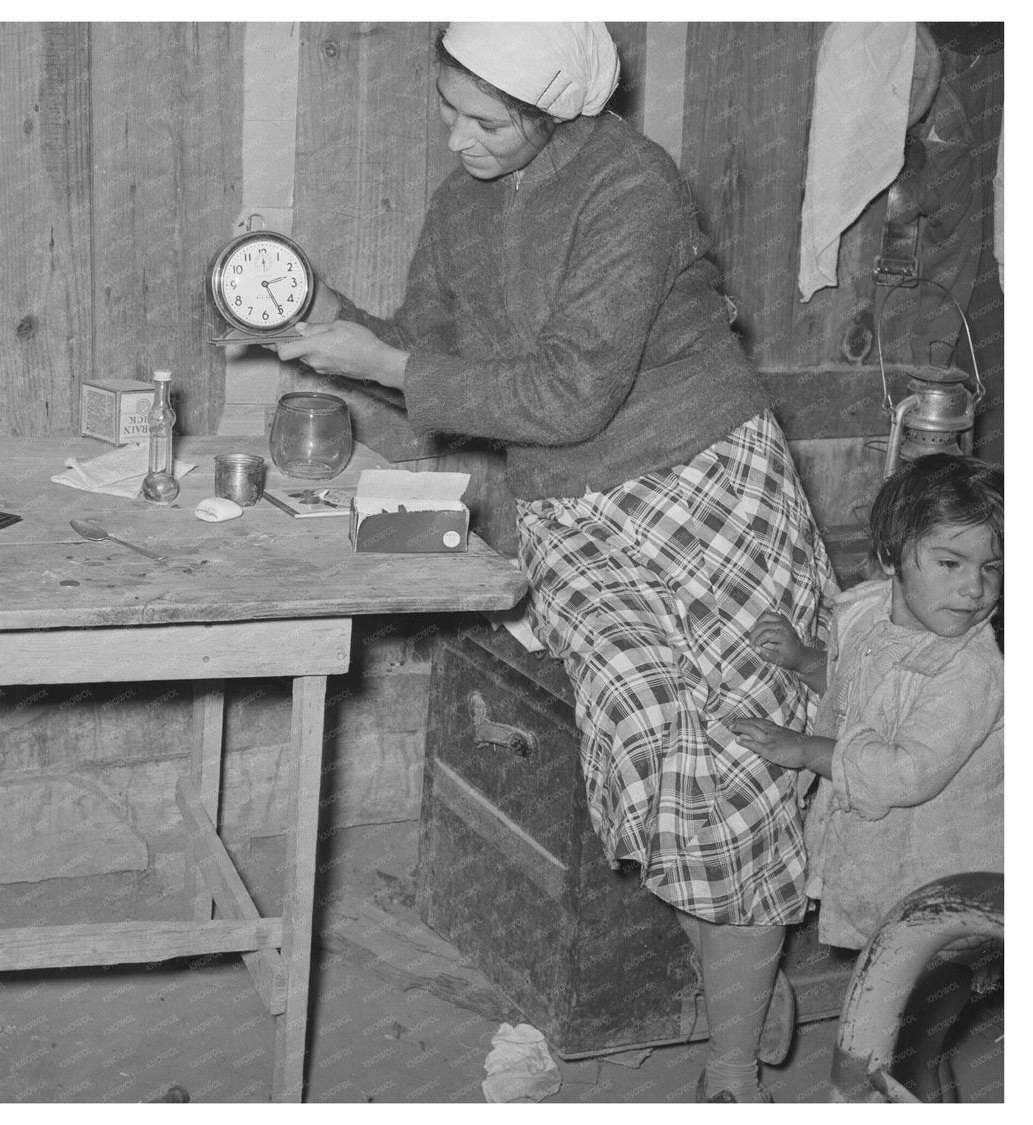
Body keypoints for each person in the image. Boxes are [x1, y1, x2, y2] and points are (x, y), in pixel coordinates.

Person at [275, 22, 836, 1103]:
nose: (458, 139)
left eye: (486, 123)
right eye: (447, 110)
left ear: (562, 111)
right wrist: (324, 319)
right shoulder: (462, 205)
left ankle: (729, 1068)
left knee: (744, 749)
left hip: (708, 476)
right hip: (575, 509)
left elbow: (568, 394)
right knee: (647, 743)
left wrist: (387, 358)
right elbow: (432, 357)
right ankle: (743, 953)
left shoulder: (634, 189)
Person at [735, 453, 1003, 1101]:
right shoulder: (864, 615)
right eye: (951, 563)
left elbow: (900, 773)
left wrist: (802, 749)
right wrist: (804, 660)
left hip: (947, 890)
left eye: (992, 568)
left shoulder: (971, 670)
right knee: (884, 1012)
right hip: (886, 864)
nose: (975, 589)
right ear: (891, 557)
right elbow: (859, 690)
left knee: (911, 1034)